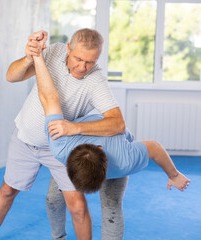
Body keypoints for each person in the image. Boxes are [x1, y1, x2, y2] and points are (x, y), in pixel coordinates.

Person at [0, 28, 125, 240]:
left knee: (77, 206)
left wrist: (75, 128)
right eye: (78, 58)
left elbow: (118, 124)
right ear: (69, 48)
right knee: (7, 191)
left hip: (60, 148)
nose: (82, 67)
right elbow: (11, 76)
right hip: (25, 139)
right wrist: (30, 56)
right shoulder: (54, 52)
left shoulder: (96, 81)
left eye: (90, 62)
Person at [32, 34, 190, 195]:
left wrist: (38, 56)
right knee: (54, 199)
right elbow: (155, 148)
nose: (82, 66)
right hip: (103, 159)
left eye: (88, 62)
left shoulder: (124, 161)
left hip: (120, 151)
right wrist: (173, 175)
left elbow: (49, 97)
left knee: (111, 207)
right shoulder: (61, 147)